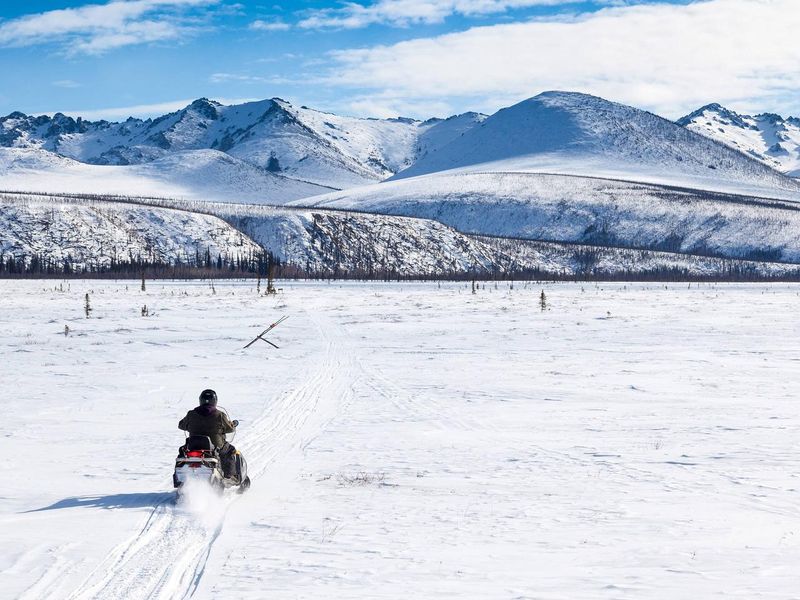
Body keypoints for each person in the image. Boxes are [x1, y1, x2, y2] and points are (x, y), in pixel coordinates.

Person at [178, 389, 240, 481]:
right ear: (215, 401)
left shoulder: (191, 414)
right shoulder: (219, 415)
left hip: (193, 446)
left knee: (182, 451)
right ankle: (230, 476)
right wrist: (233, 424)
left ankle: (181, 474)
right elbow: (229, 429)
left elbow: (181, 425)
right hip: (215, 447)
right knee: (230, 450)